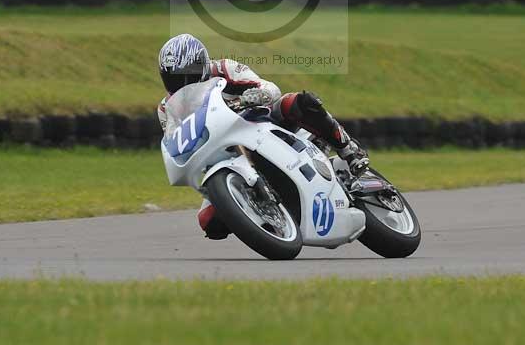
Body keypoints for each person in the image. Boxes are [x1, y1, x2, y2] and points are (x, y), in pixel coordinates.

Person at [158, 33, 369, 240]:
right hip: (220, 151)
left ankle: (348, 149)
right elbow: (177, 141)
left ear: (202, 65)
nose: (182, 83)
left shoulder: (224, 69)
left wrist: (255, 95)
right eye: (173, 77)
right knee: (210, 222)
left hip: (259, 121)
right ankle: (264, 213)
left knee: (297, 102)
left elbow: (269, 87)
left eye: (187, 75)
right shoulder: (166, 109)